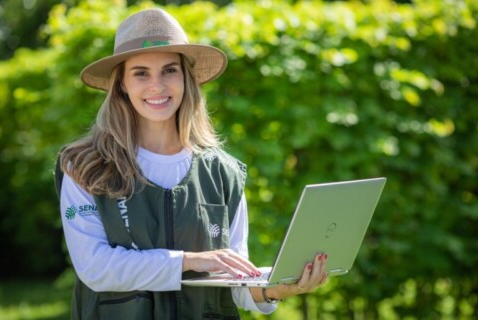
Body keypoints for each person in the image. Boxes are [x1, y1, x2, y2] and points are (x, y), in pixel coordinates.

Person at [55, 7, 328, 319]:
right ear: (121, 85)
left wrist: (278, 287)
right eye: (141, 73)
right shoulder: (85, 166)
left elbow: (232, 279)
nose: (157, 86)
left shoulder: (224, 173)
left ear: (187, 78)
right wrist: (188, 260)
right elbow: (95, 268)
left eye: (170, 70)